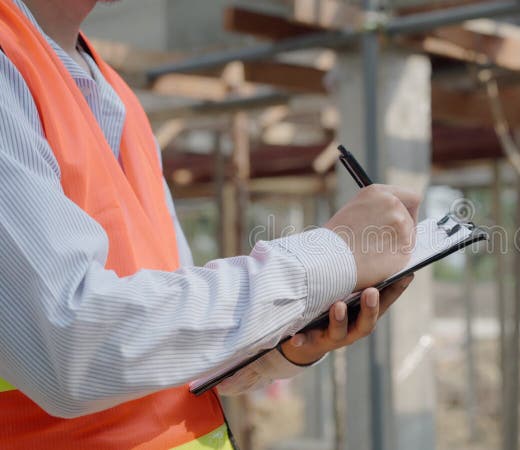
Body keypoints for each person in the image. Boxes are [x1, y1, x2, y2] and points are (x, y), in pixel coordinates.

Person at [0, 0, 419, 448]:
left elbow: (173, 350)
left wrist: (284, 346)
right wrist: (327, 256)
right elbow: (71, 350)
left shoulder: (117, 98)